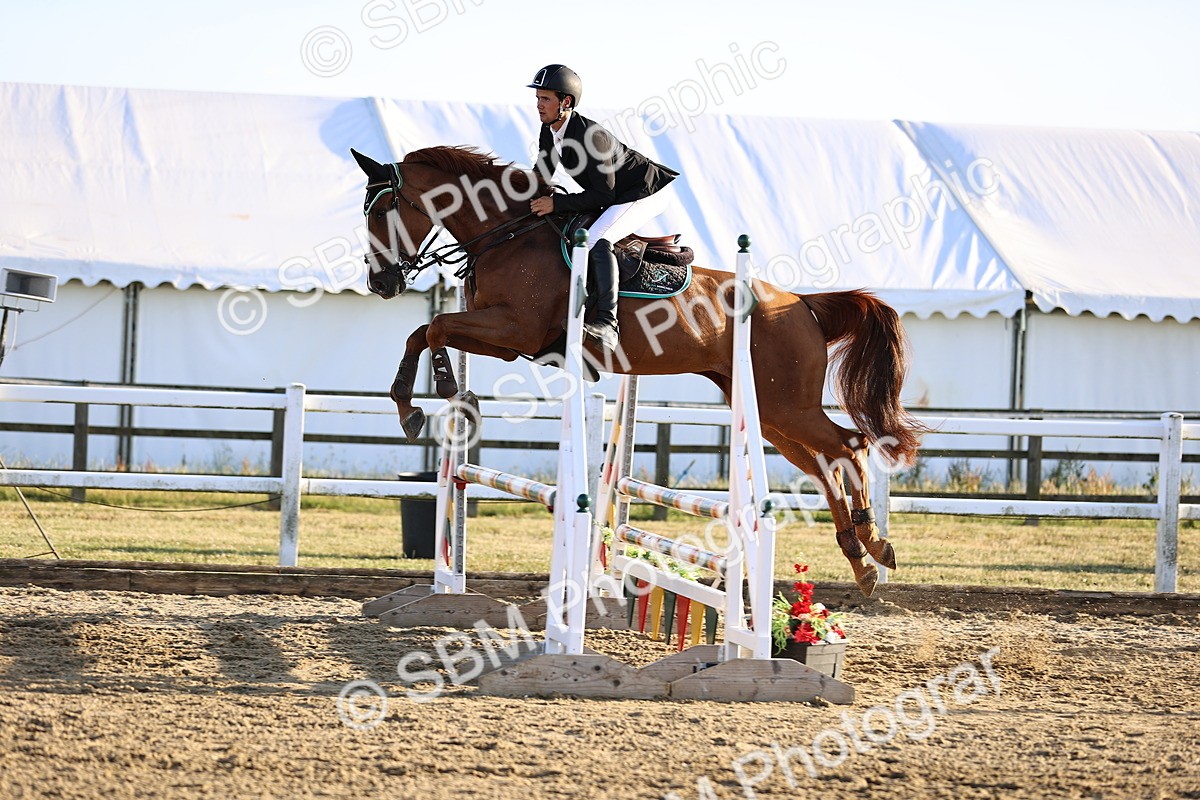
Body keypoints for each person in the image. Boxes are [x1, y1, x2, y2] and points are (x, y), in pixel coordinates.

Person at [527, 64, 679, 351]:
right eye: (538, 99)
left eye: (545, 99)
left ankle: (608, 325)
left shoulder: (590, 136)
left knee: (597, 239)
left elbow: (603, 195)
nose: (538, 105)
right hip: (614, 193)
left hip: (645, 192)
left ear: (566, 102)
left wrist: (556, 202)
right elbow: (541, 177)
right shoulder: (550, 130)